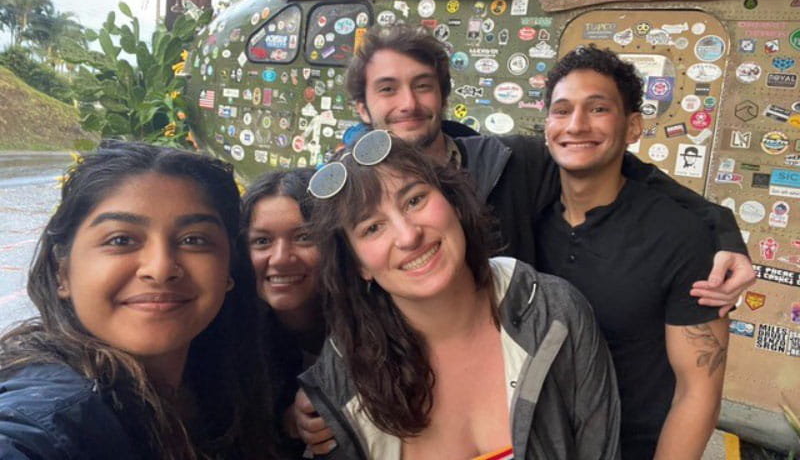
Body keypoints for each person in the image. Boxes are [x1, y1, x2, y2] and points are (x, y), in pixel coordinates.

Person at [345, 23, 753, 315]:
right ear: (362, 107)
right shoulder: (342, 198)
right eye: (387, 89)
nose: (408, 103)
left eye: (422, 85)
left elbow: (625, 170)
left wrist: (722, 229)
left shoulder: (510, 162)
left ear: (442, 96)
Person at [300, 131, 621, 459]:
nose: (408, 236)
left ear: (452, 200)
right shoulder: (346, 369)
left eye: (415, 200)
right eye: (372, 228)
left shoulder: (554, 313)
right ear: (357, 265)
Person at [0, 141, 275, 459]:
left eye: (194, 240)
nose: (160, 269)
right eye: (121, 240)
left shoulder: (225, 378)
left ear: (229, 268)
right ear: (62, 271)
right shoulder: (55, 412)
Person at [536, 47, 729, 459]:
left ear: (633, 127)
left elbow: (699, 391)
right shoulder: (525, 213)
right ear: (547, 124)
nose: (576, 124)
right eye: (562, 110)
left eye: (598, 108)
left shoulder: (679, 235)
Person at [241, 169, 327, 455]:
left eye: (304, 237)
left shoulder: (379, 328)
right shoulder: (232, 343)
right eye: (262, 241)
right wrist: (285, 421)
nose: (280, 259)